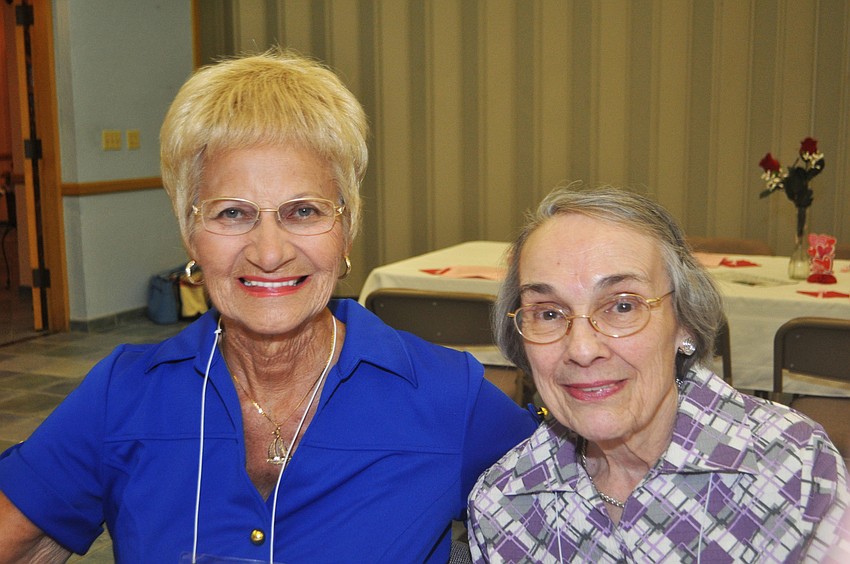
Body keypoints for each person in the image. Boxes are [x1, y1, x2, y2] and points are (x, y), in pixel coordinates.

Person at [0, 49, 537, 563]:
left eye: (303, 210)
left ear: (346, 229)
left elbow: (580, 517)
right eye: (232, 213)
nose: (270, 252)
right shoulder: (124, 397)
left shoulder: (447, 397)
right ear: (191, 235)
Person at [467, 185, 850, 562]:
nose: (582, 350)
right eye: (548, 313)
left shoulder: (790, 466)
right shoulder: (504, 503)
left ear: (683, 323)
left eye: (621, 306)